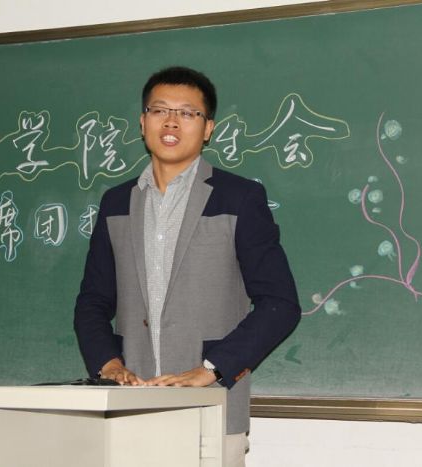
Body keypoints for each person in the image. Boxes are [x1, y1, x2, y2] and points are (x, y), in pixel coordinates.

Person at [74, 66, 301, 466]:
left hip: (210, 410)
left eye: (188, 113)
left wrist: (212, 369)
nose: (171, 121)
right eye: (160, 110)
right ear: (143, 122)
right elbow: (92, 301)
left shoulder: (240, 198)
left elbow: (280, 304)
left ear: (208, 128)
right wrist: (108, 363)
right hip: (128, 409)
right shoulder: (116, 203)